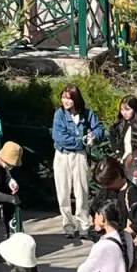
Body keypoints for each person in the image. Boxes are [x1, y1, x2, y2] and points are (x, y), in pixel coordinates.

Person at [51, 85, 106, 238]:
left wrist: (93, 136)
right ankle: (68, 225)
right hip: (62, 155)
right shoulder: (59, 114)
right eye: (63, 97)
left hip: (80, 156)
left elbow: (99, 129)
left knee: (81, 191)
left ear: (76, 99)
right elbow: (59, 137)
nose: (65, 101)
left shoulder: (87, 114)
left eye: (68, 98)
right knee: (63, 192)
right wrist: (81, 141)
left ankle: (83, 225)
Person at [92, 159, 137, 238]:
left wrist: (118, 236)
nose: (105, 187)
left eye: (108, 183)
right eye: (102, 184)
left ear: (118, 175)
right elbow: (95, 209)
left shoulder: (132, 193)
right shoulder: (106, 191)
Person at [111, 95, 137, 163]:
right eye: (122, 109)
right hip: (123, 160)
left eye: (127, 109)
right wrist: (116, 150)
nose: (124, 113)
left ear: (135, 109)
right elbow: (112, 134)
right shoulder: (120, 124)